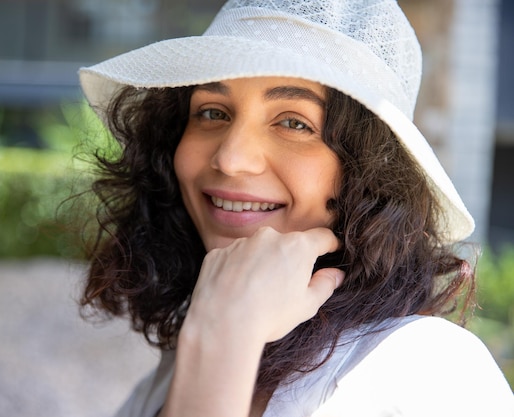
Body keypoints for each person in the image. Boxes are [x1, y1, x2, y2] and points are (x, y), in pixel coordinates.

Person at [77, 1, 514, 416]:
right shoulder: (169, 375)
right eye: (212, 112)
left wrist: (227, 337)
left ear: (370, 174)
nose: (230, 158)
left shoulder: (429, 376)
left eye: (293, 122)